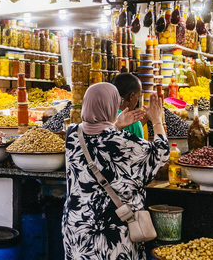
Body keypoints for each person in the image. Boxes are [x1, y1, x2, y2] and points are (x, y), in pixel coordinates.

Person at [63, 82, 169, 260]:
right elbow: (160, 154)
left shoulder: (72, 134)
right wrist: (156, 120)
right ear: (110, 106)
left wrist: (116, 125)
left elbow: (97, 141)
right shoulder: (120, 141)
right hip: (110, 232)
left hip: (77, 226)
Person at [113, 73, 146, 139]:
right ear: (131, 96)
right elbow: (141, 148)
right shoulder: (134, 124)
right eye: (138, 96)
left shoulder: (104, 115)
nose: (137, 101)